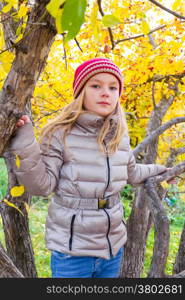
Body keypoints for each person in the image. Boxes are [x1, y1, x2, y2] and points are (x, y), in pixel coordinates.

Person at [9, 58, 169, 278]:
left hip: (113, 248)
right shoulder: (60, 133)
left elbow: (132, 173)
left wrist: (160, 170)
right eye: (96, 86)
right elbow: (42, 186)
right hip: (73, 252)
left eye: (113, 88)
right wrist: (24, 141)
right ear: (81, 91)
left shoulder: (119, 136)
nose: (106, 93)